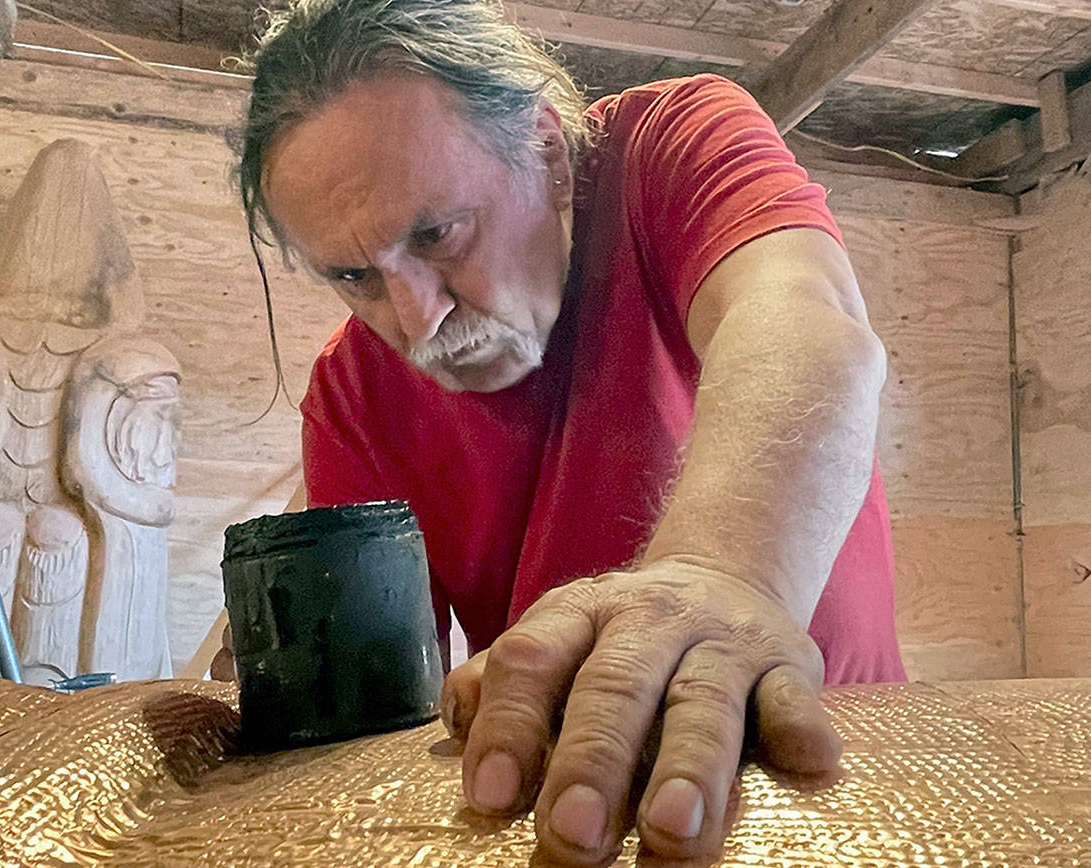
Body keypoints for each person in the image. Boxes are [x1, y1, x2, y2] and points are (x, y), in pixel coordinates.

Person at [232, 0, 906, 863]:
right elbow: (373, 716)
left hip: (842, 781)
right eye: (356, 276)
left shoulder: (669, 146)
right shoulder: (352, 391)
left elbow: (805, 326)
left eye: (437, 234)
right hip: (575, 805)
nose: (416, 319)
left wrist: (720, 577)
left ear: (549, 153)